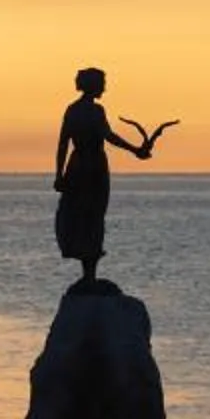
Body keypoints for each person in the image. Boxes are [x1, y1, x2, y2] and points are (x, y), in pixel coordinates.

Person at [53, 68, 173, 287]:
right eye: (102, 83)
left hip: (76, 166)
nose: (105, 88)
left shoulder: (72, 110)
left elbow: (63, 144)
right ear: (92, 85)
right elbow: (108, 136)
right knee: (93, 218)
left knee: (81, 216)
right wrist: (135, 150)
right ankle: (89, 275)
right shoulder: (95, 111)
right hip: (93, 168)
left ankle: (88, 274)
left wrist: (59, 174)